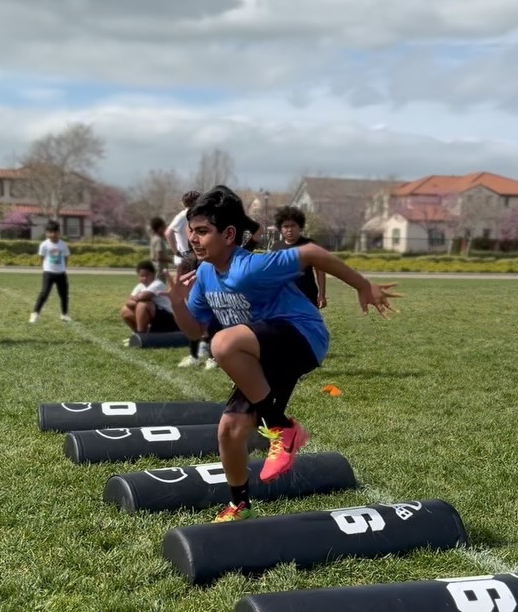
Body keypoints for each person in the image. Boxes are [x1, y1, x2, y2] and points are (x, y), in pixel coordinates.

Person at [169, 185, 398, 522]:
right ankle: (239, 505)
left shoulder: (251, 267)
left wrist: (363, 286)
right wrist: (177, 304)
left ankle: (281, 427)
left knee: (223, 345)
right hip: (260, 353)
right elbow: (193, 331)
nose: (194, 239)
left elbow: (313, 254)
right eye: (191, 232)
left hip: (301, 337)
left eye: (202, 232)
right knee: (229, 430)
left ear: (229, 234)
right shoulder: (204, 274)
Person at [166, 190, 216, 370]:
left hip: (205, 262)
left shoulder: (210, 216)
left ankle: (211, 354)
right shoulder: (188, 217)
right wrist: (182, 253)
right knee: (195, 307)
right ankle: (197, 353)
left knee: (212, 306)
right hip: (192, 261)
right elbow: (172, 234)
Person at [271, 205, 326, 308]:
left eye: (293, 225)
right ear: (281, 229)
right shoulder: (276, 247)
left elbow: (320, 271)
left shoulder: (310, 245)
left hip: (307, 297)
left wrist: (322, 295)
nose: (289, 230)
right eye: (286, 226)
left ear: (299, 226)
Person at [122, 261, 178, 338]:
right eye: (142, 276)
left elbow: (144, 297)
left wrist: (135, 298)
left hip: (169, 318)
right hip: (154, 316)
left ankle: (142, 336)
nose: (144, 278)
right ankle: (137, 335)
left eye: (147, 275)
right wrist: (137, 299)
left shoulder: (157, 284)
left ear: (153, 275)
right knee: (126, 310)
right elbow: (128, 302)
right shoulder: (140, 286)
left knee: (143, 305)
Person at [29, 221, 71, 323]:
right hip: (48, 273)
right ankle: (35, 314)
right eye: (50, 232)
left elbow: (66, 257)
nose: (52, 234)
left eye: (55, 232)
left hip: (61, 273)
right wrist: (45, 269)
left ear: (58, 232)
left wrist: (63, 268)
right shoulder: (44, 245)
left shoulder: (63, 245)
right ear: (46, 233)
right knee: (44, 293)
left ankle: (64, 314)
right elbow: (42, 258)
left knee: (64, 295)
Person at [150, 216, 174, 280]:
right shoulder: (159, 240)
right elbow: (159, 257)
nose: (165, 229)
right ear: (159, 228)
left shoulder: (154, 238)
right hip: (159, 269)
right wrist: (172, 260)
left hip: (156, 268)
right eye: (163, 227)